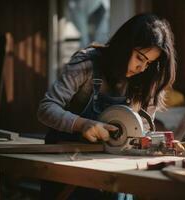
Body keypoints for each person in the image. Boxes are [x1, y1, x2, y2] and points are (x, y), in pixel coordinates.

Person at [37, 13, 176, 200]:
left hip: (113, 165)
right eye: (139, 57)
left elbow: (141, 132)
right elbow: (46, 108)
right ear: (124, 46)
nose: (141, 68)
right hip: (67, 161)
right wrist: (81, 124)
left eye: (149, 63)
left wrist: (160, 144)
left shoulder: (144, 80)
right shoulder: (87, 64)